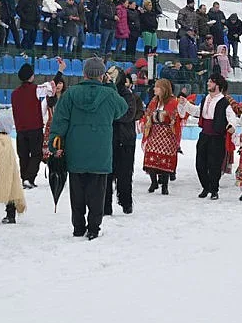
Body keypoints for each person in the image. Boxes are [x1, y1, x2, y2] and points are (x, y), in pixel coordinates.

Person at [49, 57, 128, 240]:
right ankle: (94, 228)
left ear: (84, 74)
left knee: (77, 192)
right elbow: (122, 109)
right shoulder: (109, 95)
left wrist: (55, 143)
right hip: (100, 154)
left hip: (75, 151)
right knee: (97, 193)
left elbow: (59, 121)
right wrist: (110, 86)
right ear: (102, 75)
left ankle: (78, 227)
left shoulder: (70, 94)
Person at [177, 74, 241, 200]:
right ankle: (206, 187)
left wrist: (232, 126)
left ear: (218, 85)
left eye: (211, 82)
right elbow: (197, 112)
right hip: (204, 135)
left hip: (217, 137)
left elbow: (232, 117)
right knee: (200, 164)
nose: (208, 84)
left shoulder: (224, 102)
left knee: (214, 165)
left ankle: (214, 189)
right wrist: (186, 104)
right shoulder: (205, 98)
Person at [12, 59, 65, 189]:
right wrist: (60, 70)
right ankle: (29, 178)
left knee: (23, 155)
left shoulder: (14, 94)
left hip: (20, 130)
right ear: (31, 76)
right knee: (36, 154)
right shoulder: (35, 89)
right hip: (34, 128)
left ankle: (24, 177)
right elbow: (52, 85)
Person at [106, 68, 145, 215]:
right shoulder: (106, 93)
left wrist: (111, 116)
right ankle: (105, 206)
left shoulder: (127, 95)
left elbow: (129, 114)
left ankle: (126, 203)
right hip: (109, 140)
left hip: (125, 140)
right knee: (107, 175)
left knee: (125, 174)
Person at [141, 79, 184, 196]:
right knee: (151, 156)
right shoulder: (154, 101)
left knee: (165, 159)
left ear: (164, 89)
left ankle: (165, 185)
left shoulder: (173, 102)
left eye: (157, 87)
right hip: (154, 133)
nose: (154, 89)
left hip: (167, 134)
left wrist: (170, 118)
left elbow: (177, 117)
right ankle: (154, 182)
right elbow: (148, 113)